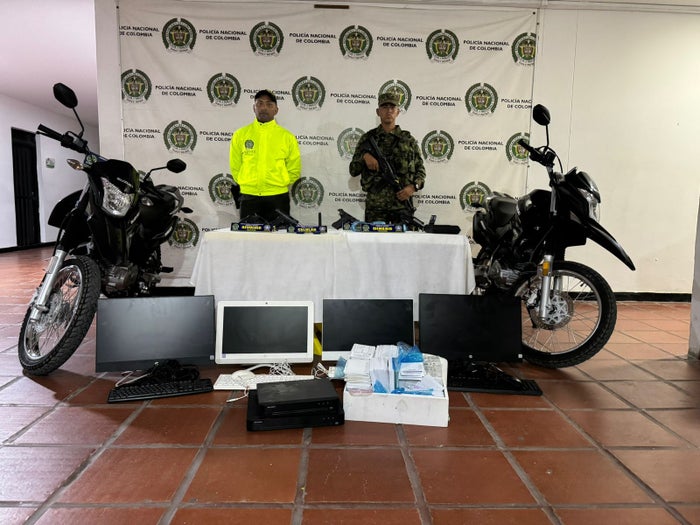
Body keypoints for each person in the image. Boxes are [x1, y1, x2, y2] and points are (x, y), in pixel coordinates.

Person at [349, 92, 426, 224]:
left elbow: (421, 170)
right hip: (376, 208)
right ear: (378, 112)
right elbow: (353, 170)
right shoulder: (368, 139)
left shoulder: (408, 140)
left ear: (398, 112)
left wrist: (413, 187)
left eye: (392, 107)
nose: (389, 111)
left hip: (402, 206)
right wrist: (364, 156)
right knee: (374, 238)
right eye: (384, 107)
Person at [229, 89, 301, 222]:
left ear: (276, 110)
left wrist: (280, 183)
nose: (264, 108)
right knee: (249, 235)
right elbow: (235, 165)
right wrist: (247, 183)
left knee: (279, 235)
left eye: (269, 104)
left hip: (277, 197)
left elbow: (294, 168)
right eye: (260, 103)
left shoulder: (287, 137)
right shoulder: (240, 135)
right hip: (249, 197)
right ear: (254, 108)